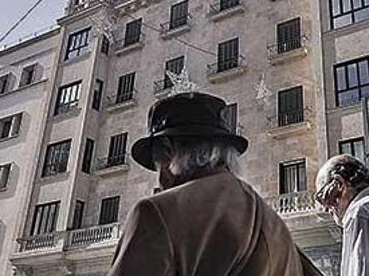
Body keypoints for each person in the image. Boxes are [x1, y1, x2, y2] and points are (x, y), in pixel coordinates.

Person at [109, 92, 322, 276]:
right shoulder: (275, 226)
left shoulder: (155, 214)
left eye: (156, 165)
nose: (159, 180)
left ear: (167, 151)